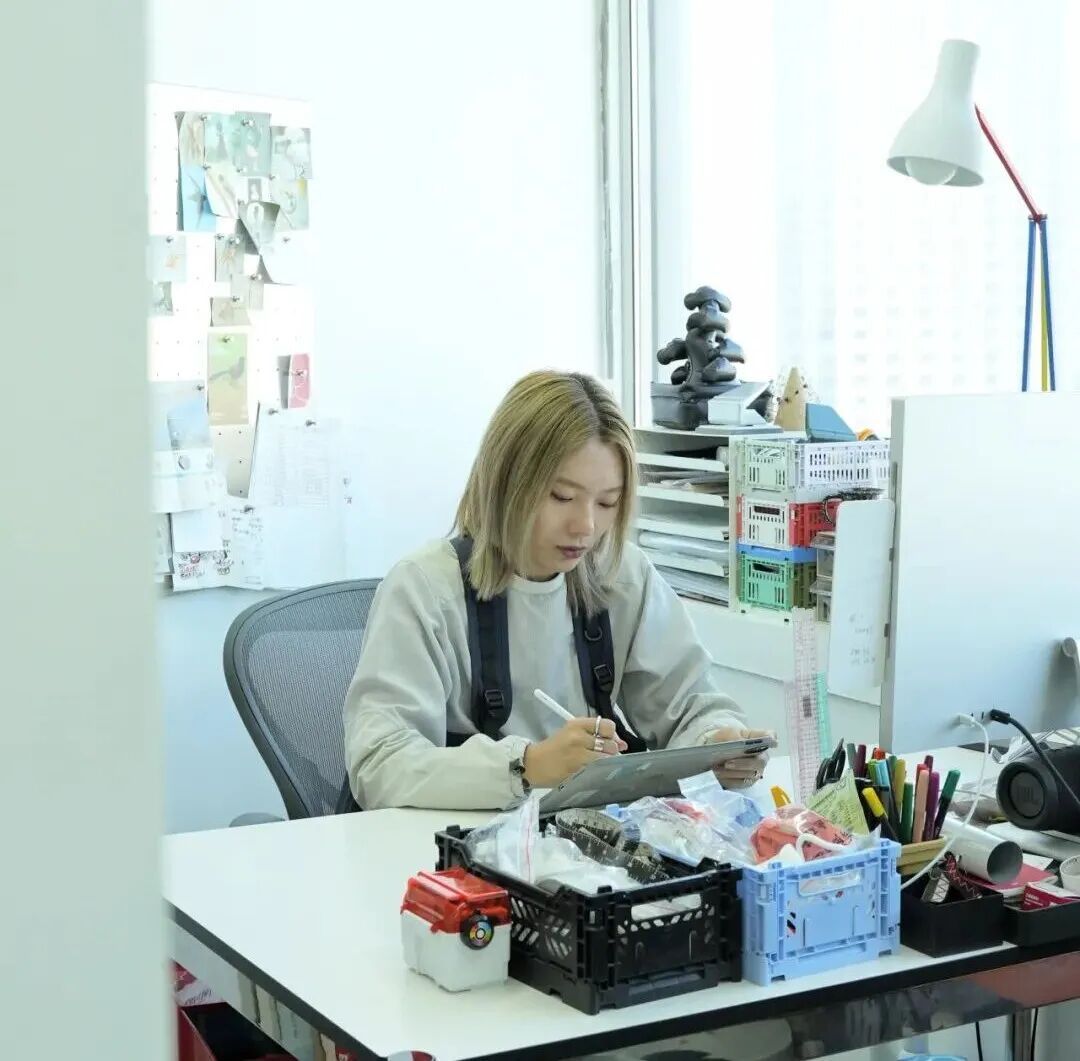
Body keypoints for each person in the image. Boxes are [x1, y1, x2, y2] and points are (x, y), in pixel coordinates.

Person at [343, 370, 770, 810]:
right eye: (562, 497)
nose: (585, 526)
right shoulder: (424, 589)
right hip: (450, 843)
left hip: (575, 840)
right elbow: (378, 764)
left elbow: (689, 702)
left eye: (607, 502)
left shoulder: (622, 575)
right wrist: (527, 766)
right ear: (506, 482)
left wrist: (717, 743)